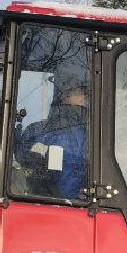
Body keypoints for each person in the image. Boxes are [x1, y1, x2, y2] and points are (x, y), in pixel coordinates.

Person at [14, 63, 90, 199]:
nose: (84, 98)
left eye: (85, 93)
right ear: (64, 96)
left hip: (80, 201)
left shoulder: (94, 131)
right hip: (58, 201)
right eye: (79, 92)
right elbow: (22, 154)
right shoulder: (43, 130)